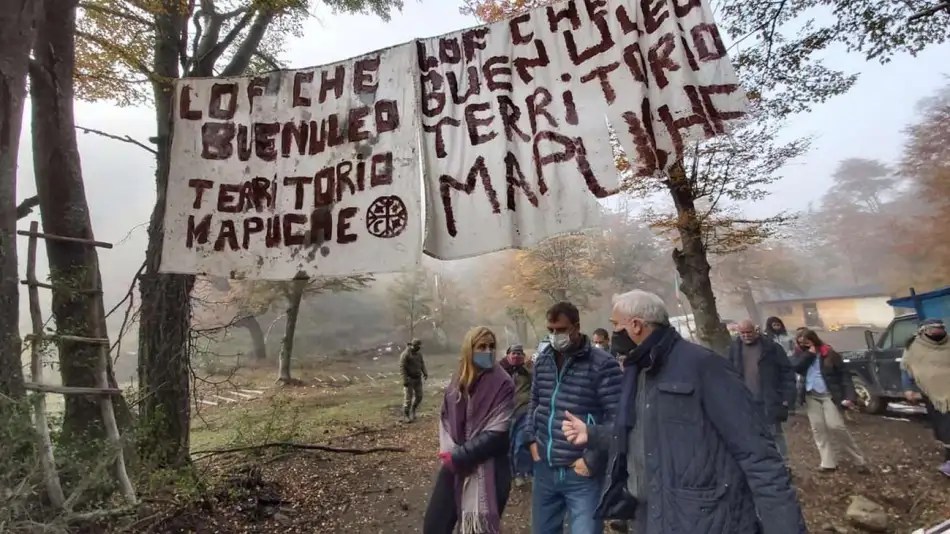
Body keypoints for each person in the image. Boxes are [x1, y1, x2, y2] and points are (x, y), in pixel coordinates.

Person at [562, 290, 805, 534]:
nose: (613, 332)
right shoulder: (639, 372)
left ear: (635, 325)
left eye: (615, 325)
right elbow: (642, 433)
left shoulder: (704, 366)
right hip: (653, 516)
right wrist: (592, 434)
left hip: (707, 521)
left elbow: (757, 454)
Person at [527, 302, 622, 534]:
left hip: (581, 475)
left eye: (561, 329)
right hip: (545, 472)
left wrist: (592, 460)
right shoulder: (543, 361)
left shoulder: (602, 364)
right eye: (551, 330)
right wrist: (531, 441)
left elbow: (618, 419)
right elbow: (534, 403)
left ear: (576, 327)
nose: (555, 336)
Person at [423, 327, 515, 534]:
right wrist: (449, 452)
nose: (488, 351)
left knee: (478, 529)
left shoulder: (503, 384)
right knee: (434, 525)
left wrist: (459, 456)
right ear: (469, 349)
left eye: (492, 346)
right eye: (481, 346)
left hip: (490, 468)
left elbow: (497, 433)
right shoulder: (458, 381)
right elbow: (445, 418)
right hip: (454, 462)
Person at [793, 329, 868, 473]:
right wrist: (809, 354)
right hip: (810, 395)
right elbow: (796, 368)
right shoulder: (800, 355)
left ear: (814, 340)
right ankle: (828, 463)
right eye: (801, 344)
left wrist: (850, 396)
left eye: (807, 343)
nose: (804, 346)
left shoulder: (829, 353)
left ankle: (858, 459)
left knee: (836, 427)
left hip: (829, 395)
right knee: (818, 429)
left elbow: (844, 376)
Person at [729, 320, 795, 460]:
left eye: (749, 332)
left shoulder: (771, 348)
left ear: (756, 331)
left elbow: (787, 372)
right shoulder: (734, 349)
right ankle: (765, 463)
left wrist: (787, 397)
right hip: (746, 400)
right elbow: (729, 374)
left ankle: (783, 463)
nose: (746, 336)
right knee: (752, 434)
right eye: (743, 333)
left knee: (775, 433)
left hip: (769, 398)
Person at [900, 318, 950, 477]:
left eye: (940, 328)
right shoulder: (914, 347)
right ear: (924, 331)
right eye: (933, 329)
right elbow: (907, 369)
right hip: (933, 395)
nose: (937, 331)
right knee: (944, 428)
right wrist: (908, 389)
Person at [500, 344, 533, 486]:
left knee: (521, 442)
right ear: (508, 355)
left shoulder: (529, 370)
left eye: (519, 353)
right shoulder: (500, 371)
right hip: (505, 415)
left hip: (524, 412)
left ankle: (523, 472)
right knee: (509, 445)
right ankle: (512, 472)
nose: (516, 356)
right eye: (513, 353)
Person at [399, 339, 428, 423]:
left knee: (419, 396)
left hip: (417, 378)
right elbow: (402, 368)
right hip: (409, 379)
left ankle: (413, 410)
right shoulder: (405, 355)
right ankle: (406, 414)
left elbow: (422, 363)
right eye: (417, 346)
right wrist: (405, 379)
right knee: (408, 399)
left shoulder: (419, 354)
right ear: (413, 346)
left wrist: (425, 372)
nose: (419, 348)